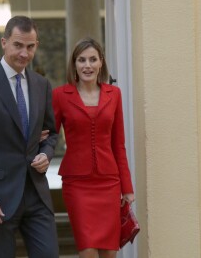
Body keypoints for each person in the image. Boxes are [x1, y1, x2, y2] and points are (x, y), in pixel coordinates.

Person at [0, 15, 59, 258]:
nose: (24, 53)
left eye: (30, 46)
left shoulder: (41, 84)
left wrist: (46, 153)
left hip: (36, 194)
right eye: (18, 45)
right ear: (4, 42)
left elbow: (51, 132)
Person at [52, 37, 135, 258]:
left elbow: (119, 144)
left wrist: (127, 188)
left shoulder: (114, 94)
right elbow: (50, 136)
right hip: (77, 184)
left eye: (92, 59)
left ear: (101, 63)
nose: (87, 65)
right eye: (81, 60)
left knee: (109, 252)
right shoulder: (60, 95)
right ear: (74, 65)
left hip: (109, 183)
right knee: (87, 250)